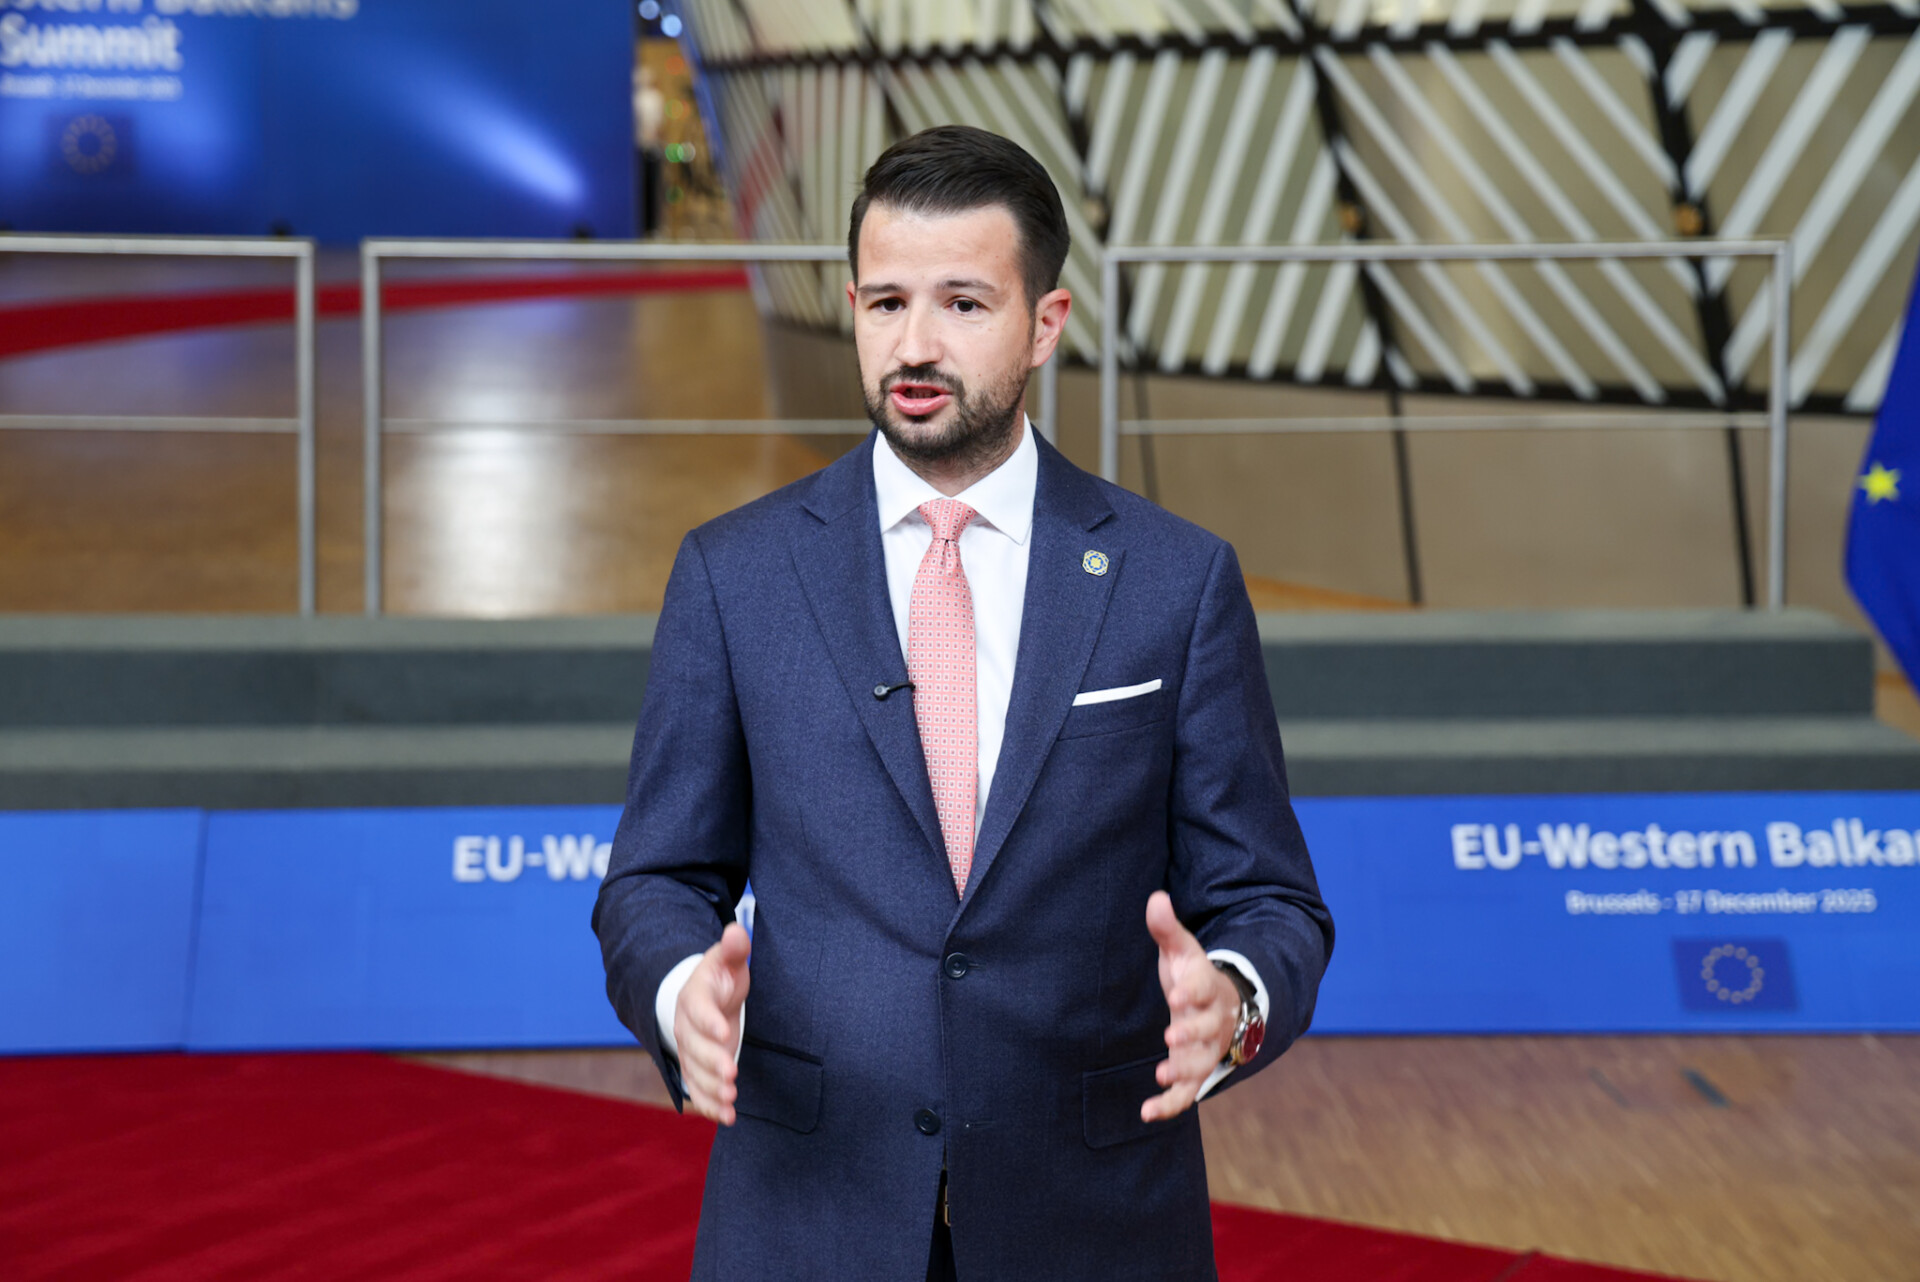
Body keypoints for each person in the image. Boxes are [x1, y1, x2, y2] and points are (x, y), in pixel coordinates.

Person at [593, 125, 1332, 1281]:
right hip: (811, 1214)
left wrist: (1232, 1004)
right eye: (886, 303)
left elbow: (1270, 898)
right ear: (851, 307)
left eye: (964, 304)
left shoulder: (1175, 580)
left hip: (1091, 1222)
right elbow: (654, 878)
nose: (916, 344)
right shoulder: (734, 574)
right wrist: (684, 991)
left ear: (1047, 322)